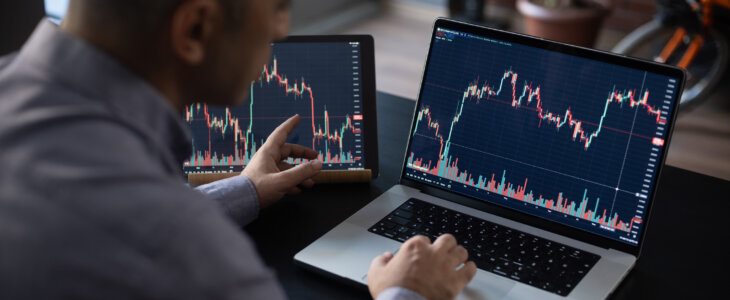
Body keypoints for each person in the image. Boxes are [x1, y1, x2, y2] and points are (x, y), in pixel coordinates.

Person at [0, 0, 478, 299]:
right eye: (277, 7)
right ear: (195, 29)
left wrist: (245, 188)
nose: (282, 29)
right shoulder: (191, 256)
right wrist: (409, 293)